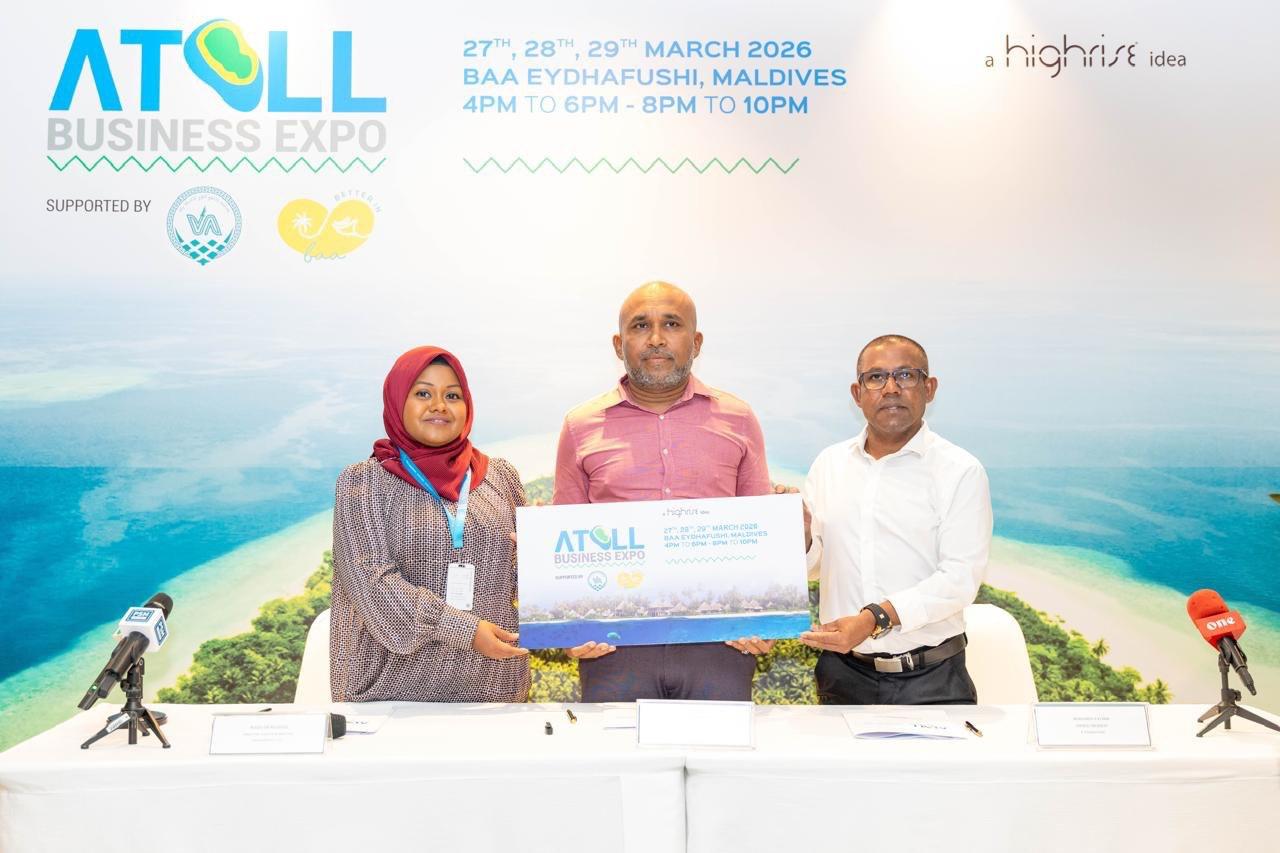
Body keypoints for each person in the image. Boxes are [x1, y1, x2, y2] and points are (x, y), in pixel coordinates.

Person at [553, 281, 777, 702]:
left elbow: (761, 533)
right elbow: (564, 535)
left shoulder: (739, 418)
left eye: (671, 324)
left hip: (721, 644)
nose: (656, 338)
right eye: (641, 326)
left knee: (719, 747)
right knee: (615, 746)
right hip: (613, 648)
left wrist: (764, 620)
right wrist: (570, 629)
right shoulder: (579, 426)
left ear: (696, 342)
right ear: (619, 344)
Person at [799, 334, 992, 704]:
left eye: (905, 375)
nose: (890, 388)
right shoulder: (829, 465)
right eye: (876, 377)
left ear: (929, 388)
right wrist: (804, 537)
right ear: (857, 394)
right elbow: (815, 565)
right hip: (842, 675)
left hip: (932, 679)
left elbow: (959, 578)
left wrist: (875, 618)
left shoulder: (960, 471)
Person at [330, 345, 529, 702]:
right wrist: (464, 630)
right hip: (392, 698)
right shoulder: (364, 482)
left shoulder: (501, 477)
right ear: (397, 402)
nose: (439, 406)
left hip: (495, 689)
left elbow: (518, 581)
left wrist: (550, 574)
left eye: (452, 395)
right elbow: (373, 587)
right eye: (423, 393)